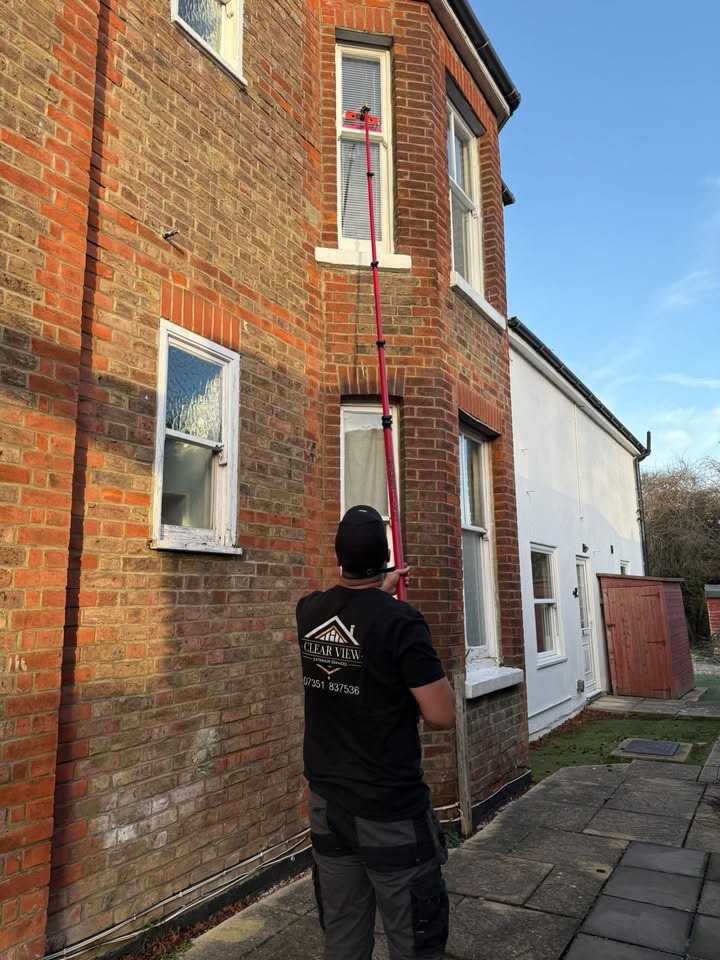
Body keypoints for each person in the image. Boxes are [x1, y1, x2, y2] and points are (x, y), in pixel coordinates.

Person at [296, 504, 455, 960]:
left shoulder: (309, 612)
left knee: (343, 937)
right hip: (390, 813)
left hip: (328, 807)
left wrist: (380, 594)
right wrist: (392, 609)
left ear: (338, 556)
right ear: (384, 558)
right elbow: (441, 714)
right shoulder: (401, 623)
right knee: (415, 942)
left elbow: (353, 615)